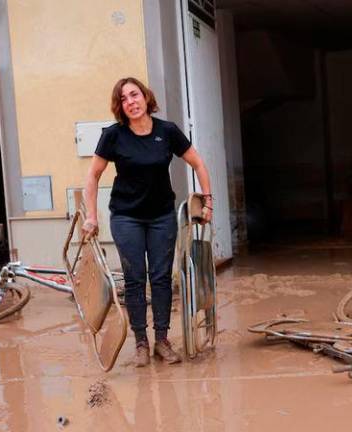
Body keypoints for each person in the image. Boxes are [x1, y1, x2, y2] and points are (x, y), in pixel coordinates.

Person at [82, 77, 213, 367]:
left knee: (161, 277)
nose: (131, 101)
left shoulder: (167, 132)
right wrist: (92, 215)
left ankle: (162, 341)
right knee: (134, 278)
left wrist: (208, 201)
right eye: (124, 98)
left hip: (161, 216)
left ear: (145, 97)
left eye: (134, 94)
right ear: (120, 106)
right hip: (126, 216)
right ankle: (140, 342)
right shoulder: (114, 135)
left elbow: (198, 163)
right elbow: (92, 175)